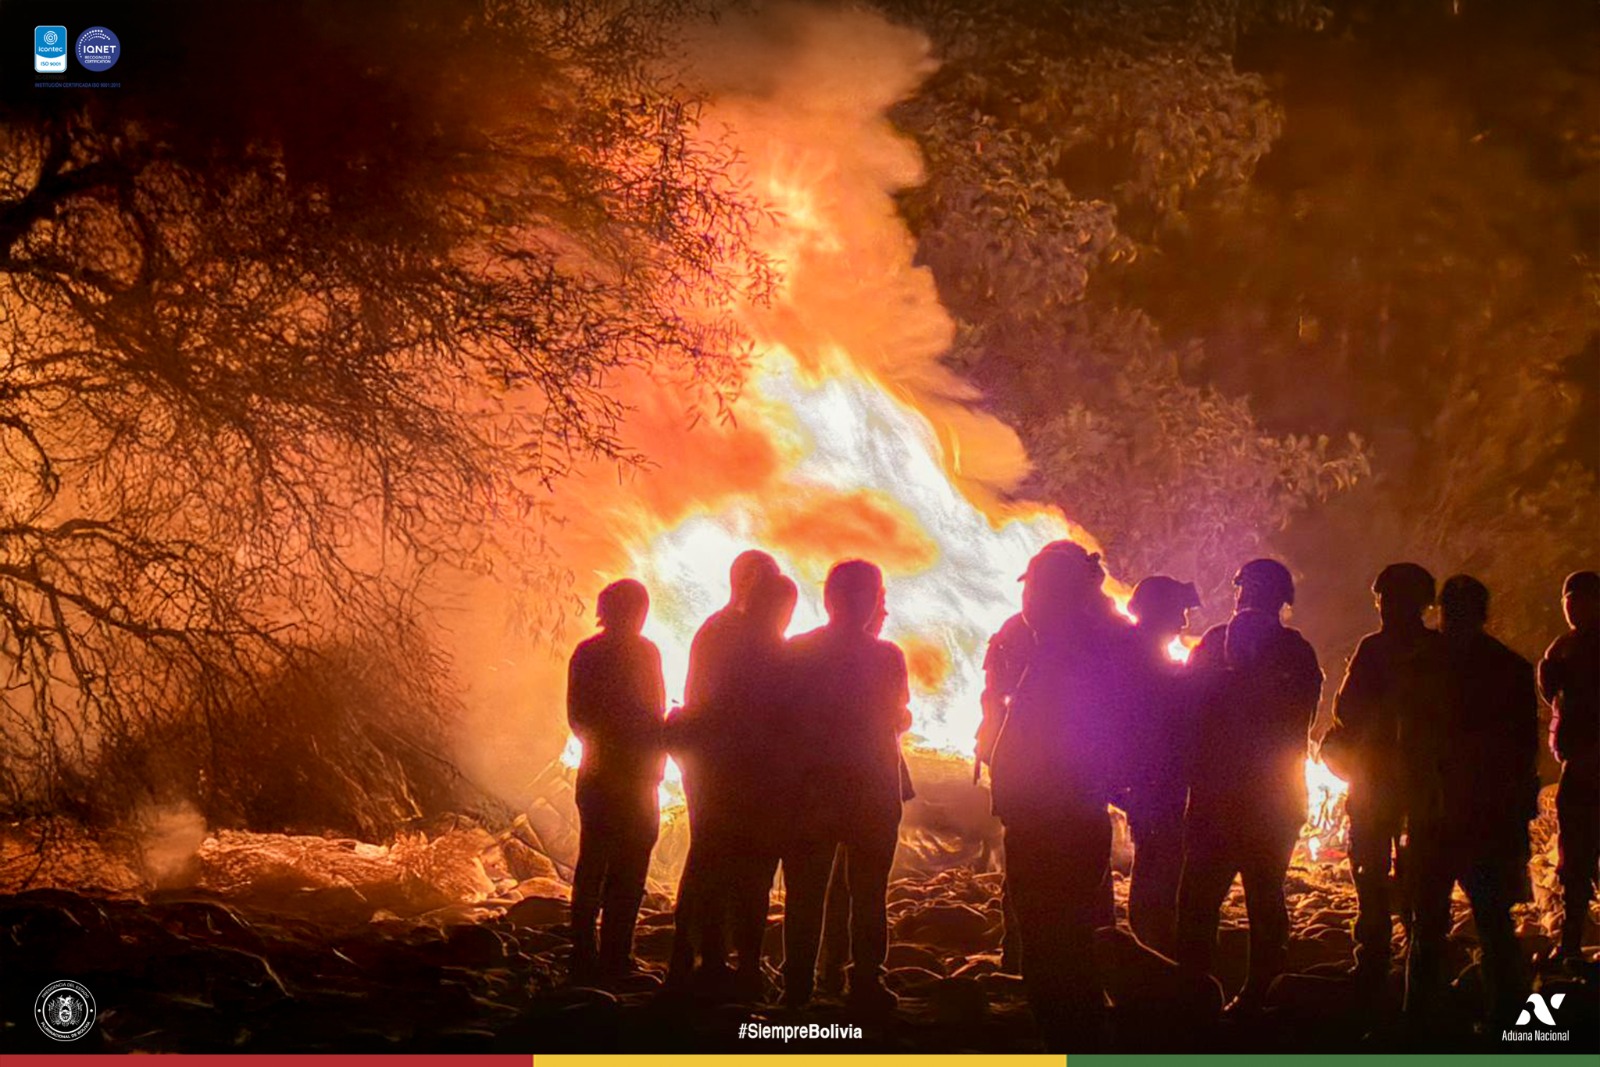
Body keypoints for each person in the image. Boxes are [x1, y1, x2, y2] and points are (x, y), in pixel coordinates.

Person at [989, 543, 1136, 1050]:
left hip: (1054, 823)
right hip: (1060, 819)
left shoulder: (1072, 658)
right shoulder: (1072, 648)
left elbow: (1063, 747)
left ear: (1053, 594)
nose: (1026, 599)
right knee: (1067, 944)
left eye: (1032, 588)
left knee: (1056, 951)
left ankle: (1071, 1043)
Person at [1175, 558, 1321, 1015]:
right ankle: (1259, 992)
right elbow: (1301, 721)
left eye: (1247, 589)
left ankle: (1198, 991)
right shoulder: (1296, 652)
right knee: (1263, 896)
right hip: (1272, 798)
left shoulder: (1217, 642)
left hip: (1220, 795)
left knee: (1200, 899)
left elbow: (1187, 713)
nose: (1244, 597)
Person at [1405, 575, 1537, 1024]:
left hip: (1458, 819)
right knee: (1479, 925)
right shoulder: (1507, 668)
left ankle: (1424, 1022)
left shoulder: (1426, 665)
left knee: (1443, 925)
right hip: (1464, 819)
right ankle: (1507, 1023)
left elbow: (1519, 756)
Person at [780, 560, 912, 1011]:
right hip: (872, 788)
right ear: (872, 601)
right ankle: (867, 981)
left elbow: (787, 721)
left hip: (811, 789)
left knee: (805, 892)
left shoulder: (798, 650)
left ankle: (796, 985)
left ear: (828, 599)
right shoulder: (887, 657)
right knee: (869, 891)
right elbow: (896, 715)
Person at [1322, 562, 1447, 989]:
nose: (1384, 607)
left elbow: (1346, 710)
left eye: (1388, 599)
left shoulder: (1376, 649)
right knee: (1403, 874)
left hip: (1385, 781)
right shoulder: (1438, 649)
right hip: (1412, 783)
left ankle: (1380, 960)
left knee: (1376, 873)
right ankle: (1412, 961)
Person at [666, 550, 782, 990]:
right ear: (749, 581)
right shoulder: (735, 632)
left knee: (711, 858)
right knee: (722, 860)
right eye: (767, 581)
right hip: (726, 766)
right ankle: (711, 958)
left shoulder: (721, 629)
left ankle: (700, 957)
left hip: (713, 762)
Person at [974, 539, 1083, 973]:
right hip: (1033, 778)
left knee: (1048, 875)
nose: (1028, 598)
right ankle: (1026, 958)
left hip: (1060, 779)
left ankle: (1044, 962)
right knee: (1027, 873)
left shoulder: (1083, 641)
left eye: (1036, 588)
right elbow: (991, 696)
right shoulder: (1017, 633)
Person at [566, 578, 667, 980]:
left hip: (599, 774)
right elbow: (656, 710)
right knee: (628, 867)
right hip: (634, 777)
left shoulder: (587, 653)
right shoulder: (645, 652)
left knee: (594, 862)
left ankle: (584, 952)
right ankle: (614, 954)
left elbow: (578, 719)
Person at [718, 572, 801, 999]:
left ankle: (731, 962)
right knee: (758, 878)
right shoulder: (781, 656)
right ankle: (750, 966)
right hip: (768, 787)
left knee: (744, 877)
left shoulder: (729, 649)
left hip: (732, 781)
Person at [1124, 575, 1201, 957]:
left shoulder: (1141, 654)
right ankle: (1154, 957)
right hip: (1154, 782)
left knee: (1157, 864)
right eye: (1179, 612)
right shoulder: (1139, 659)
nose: (1184, 623)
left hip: (1154, 782)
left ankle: (1153, 951)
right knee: (1159, 867)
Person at [1539, 570, 1599, 970]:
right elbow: (1553, 698)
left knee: (1577, 860)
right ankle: (1572, 944)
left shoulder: (1570, 648)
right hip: (1577, 766)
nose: (1573, 607)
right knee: (1574, 862)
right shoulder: (1563, 645)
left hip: (1588, 764)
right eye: (1569, 600)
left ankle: (1573, 945)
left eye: (1581, 600)